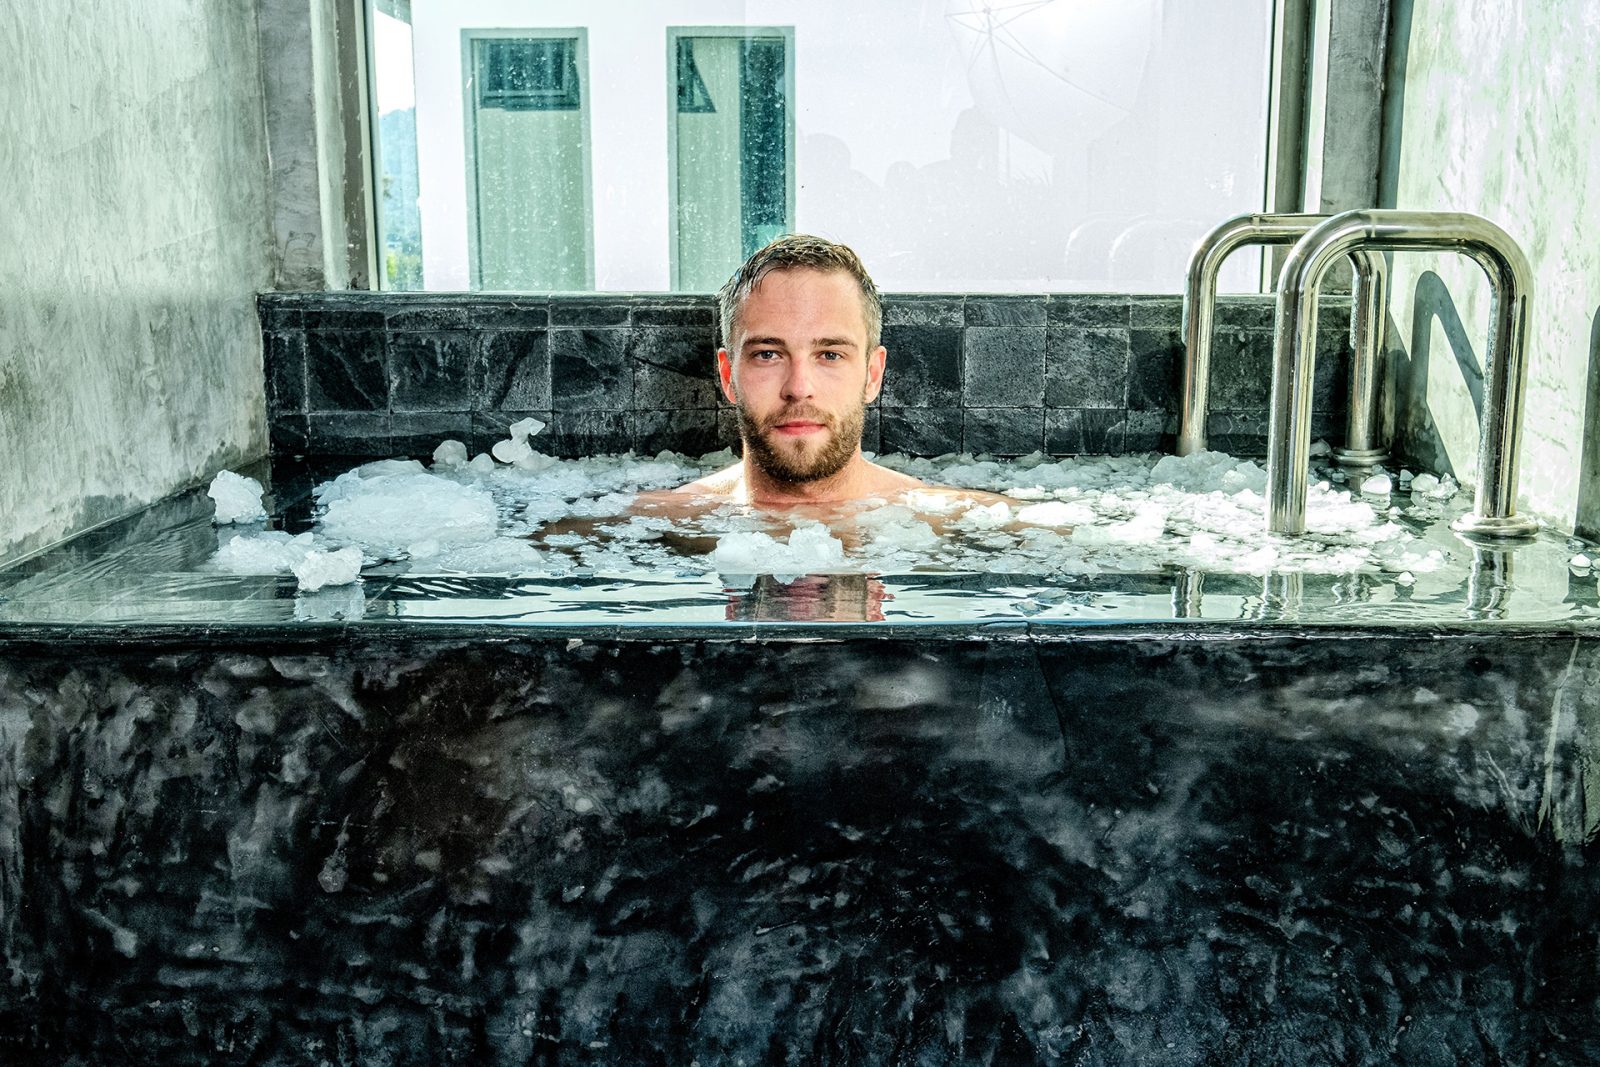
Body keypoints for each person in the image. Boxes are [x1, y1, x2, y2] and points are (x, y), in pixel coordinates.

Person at [671, 234, 928, 504]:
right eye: (767, 354)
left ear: (872, 375)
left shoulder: (951, 519)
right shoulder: (663, 520)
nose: (798, 388)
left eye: (830, 355)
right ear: (728, 376)